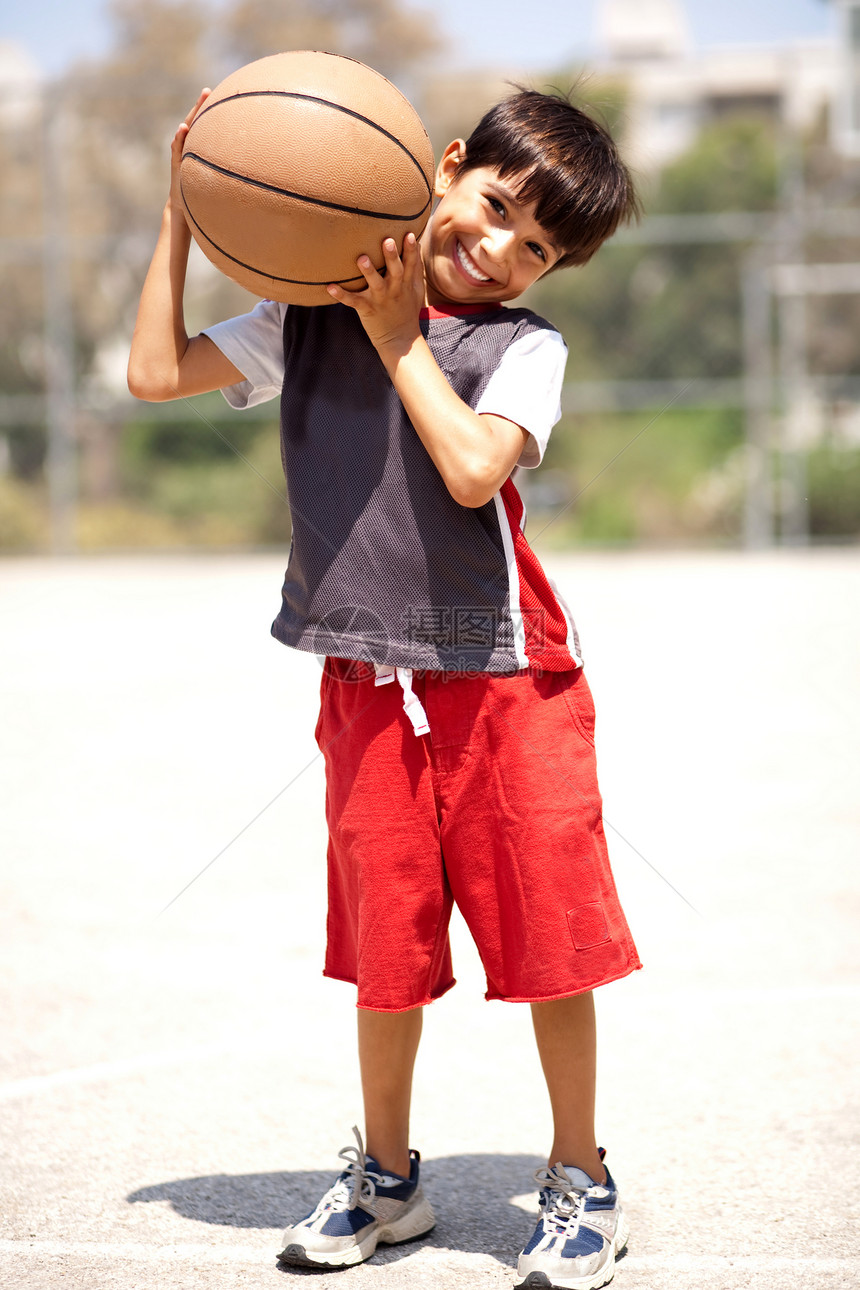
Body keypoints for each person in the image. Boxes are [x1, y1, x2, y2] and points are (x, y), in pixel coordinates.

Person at [128, 83, 642, 1290]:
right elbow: (153, 372)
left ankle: (580, 1178)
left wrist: (399, 333)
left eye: (539, 249)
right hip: (366, 679)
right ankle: (389, 1179)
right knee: (386, 949)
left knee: (548, 945)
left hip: (502, 676)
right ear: (449, 166)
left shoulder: (524, 348)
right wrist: (183, 212)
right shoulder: (305, 315)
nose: (504, 250)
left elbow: (471, 473)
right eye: (498, 206)